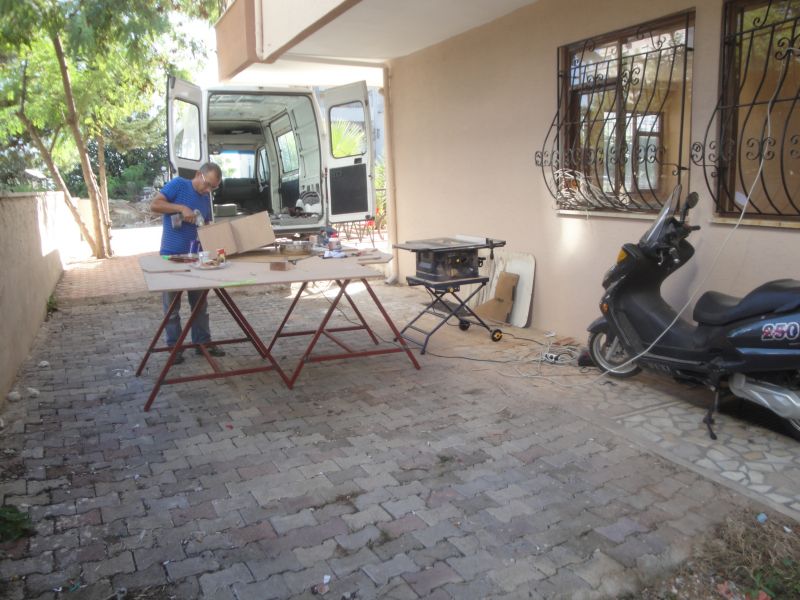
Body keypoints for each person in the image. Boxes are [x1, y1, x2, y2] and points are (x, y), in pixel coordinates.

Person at [150, 163, 225, 364]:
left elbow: (206, 225)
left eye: (213, 188)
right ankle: (174, 347)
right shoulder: (178, 185)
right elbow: (155, 205)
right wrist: (181, 208)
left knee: (200, 305)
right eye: (207, 184)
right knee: (172, 308)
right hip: (171, 257)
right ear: (198, 174)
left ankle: (202, 342)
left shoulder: (206, 197)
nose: (208, 190)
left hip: (197, 258)